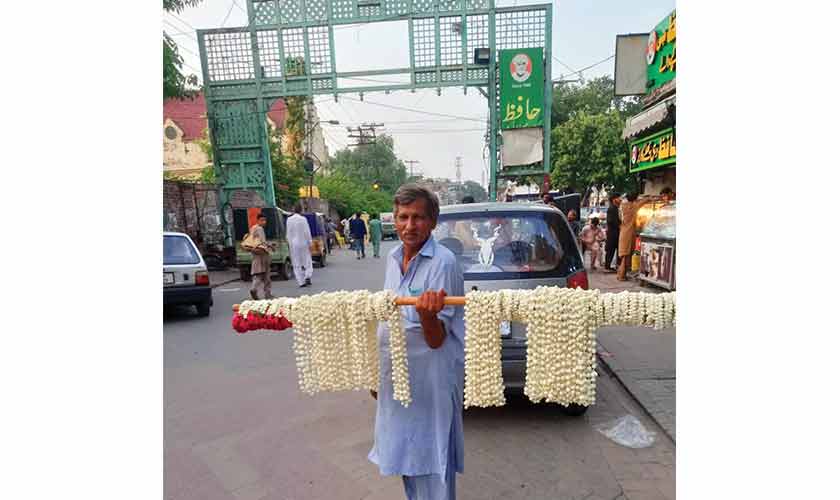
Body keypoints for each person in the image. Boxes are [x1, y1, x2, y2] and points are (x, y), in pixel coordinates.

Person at [368, 183, 465, 500]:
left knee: (433, 466)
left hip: (430, 385)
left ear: (433, 222)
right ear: (394, 220)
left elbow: (437, 340)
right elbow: (389, 319)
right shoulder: (393, 258)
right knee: (407, 460)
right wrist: (377, 376)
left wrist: (427, 315)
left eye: (419, 218)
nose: (410, 226)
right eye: (403, 217)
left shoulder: (444, 263)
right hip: (398, 383)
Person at [617, 192, 654, 281]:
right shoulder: (633, 206)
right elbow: (644, 201)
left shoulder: (623, 205)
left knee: (624, 255)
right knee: (626, 255)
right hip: (629, 233)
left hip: (623, 232)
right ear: (634, 199)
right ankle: (621, 276)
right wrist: (650, 197)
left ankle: (621, 274)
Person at [248, 213, 274, 300]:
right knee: (266, 275)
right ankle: (267, 294)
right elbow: (263, 242)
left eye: (265, 220)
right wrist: (271, 246)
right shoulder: (260, 229)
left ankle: (254, 288)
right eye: (262, 220)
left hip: (255, 254)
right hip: (262, 255)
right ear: (258, 220)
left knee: (258, 274)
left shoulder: (252, 228)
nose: (264, 222)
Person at [286, 204, 313, 288]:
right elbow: (307, 232)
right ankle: (307, 276)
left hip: (293, 244)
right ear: (301, 210)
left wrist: (289, 244)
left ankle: (301, 282)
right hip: (303, 242)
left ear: (293, 210)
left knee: (296, 262)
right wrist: (310, 242)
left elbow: (288, 233)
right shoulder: (303, 219)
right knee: (307, 260)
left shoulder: (289, 220)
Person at [604, 193, 622, 272]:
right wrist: (619, 224)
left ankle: (616, 266)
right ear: (614, 199)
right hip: (613, 233)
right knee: (610, 250)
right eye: (619, 198)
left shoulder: (616, 208)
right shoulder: (612, 209)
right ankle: (608, 266)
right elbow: (610, 221)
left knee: (616, 250)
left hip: (615, 232)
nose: (620, 199)